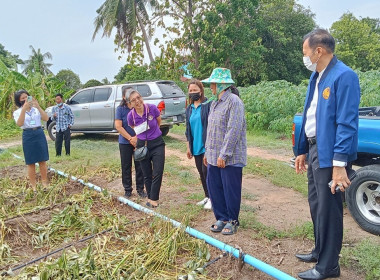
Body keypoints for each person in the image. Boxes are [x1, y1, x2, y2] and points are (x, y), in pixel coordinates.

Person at [295, 29, 360, 280]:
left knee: (330, 209)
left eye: (305, 52)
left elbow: (346, 123)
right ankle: (320, 251)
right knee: (317, 205)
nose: (305, 57)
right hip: (314, 149)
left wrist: (339, 163)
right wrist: (301, 149)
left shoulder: (344, 76)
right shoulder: (318, 77)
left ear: (318, 50)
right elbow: (309, 116)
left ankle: (329, 266)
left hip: (330, 153)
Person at [202, 68, 247, 235]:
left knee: (230, 189)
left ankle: (232, 220)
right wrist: (207, 152)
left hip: (230, 157)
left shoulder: (234, 102)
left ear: (222, 85)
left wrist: (224, 154)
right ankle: (221, 218)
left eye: (213, 84)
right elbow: (211, 130)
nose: (211, 87)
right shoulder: (214, 103)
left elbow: (233, 130)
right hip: (213, 155)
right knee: (214, 187)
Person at [126, 88, 165, 208]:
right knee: (147, 174)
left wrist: (153, 134)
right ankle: (150, 196)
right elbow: (134, 128)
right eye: (133, 100)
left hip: (157, 143)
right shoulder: (130, 116)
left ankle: (153, 199)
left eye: (138, 97)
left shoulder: (152, 108)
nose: (137, 101)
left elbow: (158, 122)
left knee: (158, 171)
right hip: (142, 145)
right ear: (130, 104)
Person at [13, 89, 50, 190]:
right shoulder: (17, 112)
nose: (25, 99)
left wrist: (37, 106)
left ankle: (44, 183)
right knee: (31, 162)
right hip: (28, 135)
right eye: (22, 98)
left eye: (27, 97)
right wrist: (24, 110)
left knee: (42, 160)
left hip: (39, 133)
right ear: (18, 101)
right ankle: (33, 186)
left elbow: (46, 118)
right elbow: (20, 123)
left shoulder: (36, 109)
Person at [185, 79, 213, 209]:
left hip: (206, 145)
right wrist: (188, 147)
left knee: (207, 172)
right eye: (190, 91)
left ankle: (213, 198)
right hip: (195, 146)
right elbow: (187, 129)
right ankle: (207, 196)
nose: (192, 93)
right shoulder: (189, 109)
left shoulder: (208, 105)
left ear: (201, 91)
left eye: (195, 90)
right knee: (201, 173)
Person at [115, 87, 147, 198]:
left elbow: (144, 124)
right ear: (124, 97)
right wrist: (130, 139)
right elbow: (118, 127)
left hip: (139, 140)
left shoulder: (140, 108)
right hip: (125, 142)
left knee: (140, 165)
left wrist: (137, 139)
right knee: (126, 166)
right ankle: (127, 189)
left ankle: (140, 189)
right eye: (129, 94)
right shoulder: (120, 109)